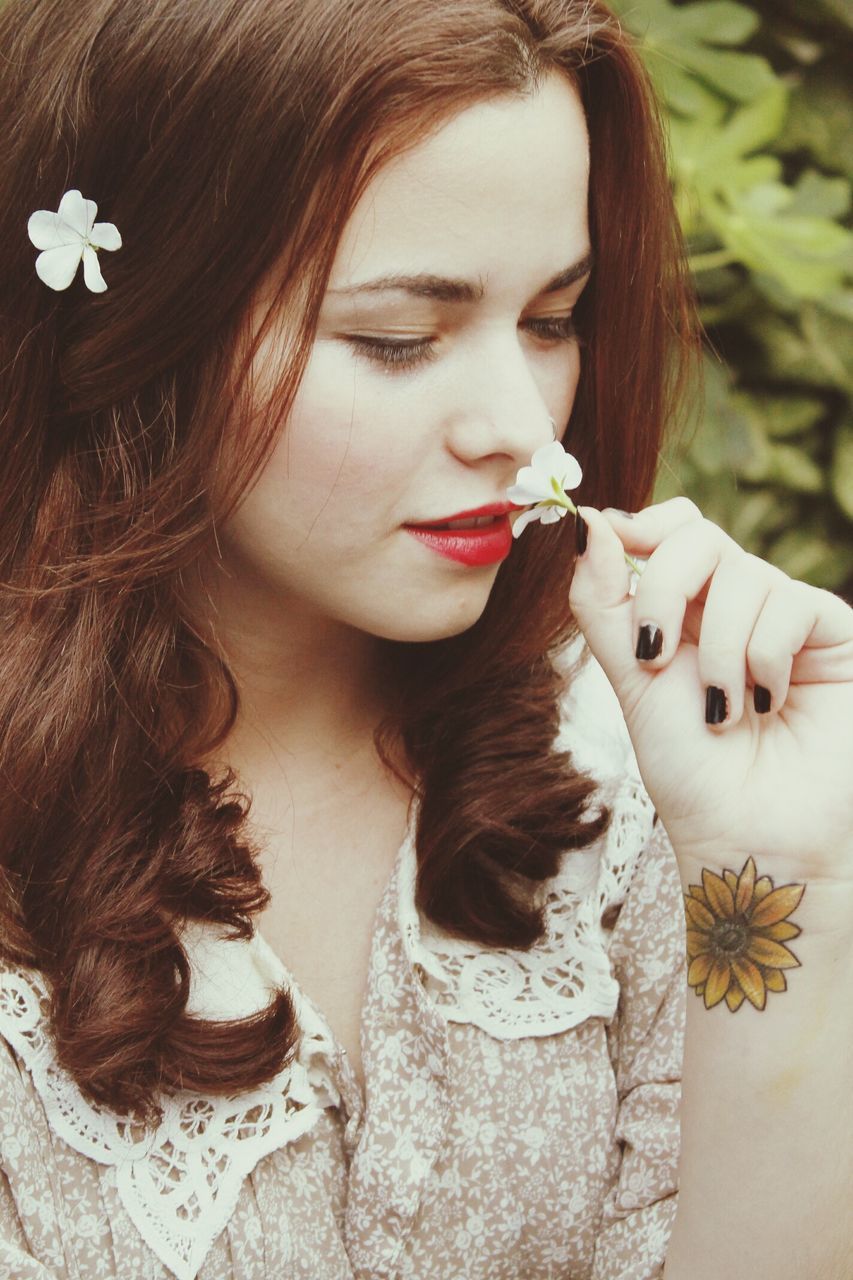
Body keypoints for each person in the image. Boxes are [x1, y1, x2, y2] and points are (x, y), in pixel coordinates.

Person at [0, 0, 850, 1277]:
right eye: (396, 339)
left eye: (553, 319)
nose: (522, 427)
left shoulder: (625, 760)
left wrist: (778, 877)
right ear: (134, 327)